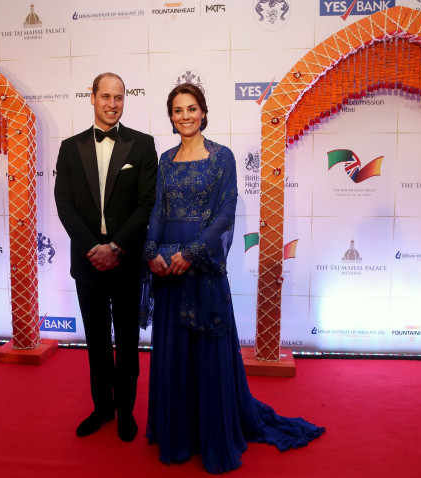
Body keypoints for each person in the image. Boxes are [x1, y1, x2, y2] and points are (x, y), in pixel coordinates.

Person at [142, 83, 325, 473]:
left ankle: (211, 433)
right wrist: (151, 251)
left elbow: (226, 213)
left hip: (201, 266)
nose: (185, 116)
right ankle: (179, 434)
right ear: (171, 117)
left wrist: (190, 253)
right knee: (174, 350)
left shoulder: (222, 157)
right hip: (168, 267)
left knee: (206, 351)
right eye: (177, 110)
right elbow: (158, 209)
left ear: (204, 113)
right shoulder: (165, 159)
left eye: (192, 109)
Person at [55, 72, 158, 442]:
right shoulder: (70, 147)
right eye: (106, 96)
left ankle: (127, 411)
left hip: (126, 260)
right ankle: (102, 408)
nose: (112, 104)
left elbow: (147, 205)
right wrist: (92, 248)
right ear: (92, 97)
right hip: (88, 262)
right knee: (97, 341)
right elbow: (63, 204)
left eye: (119, 97)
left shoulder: (143, 145)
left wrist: (115, 247)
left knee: (128, 341)